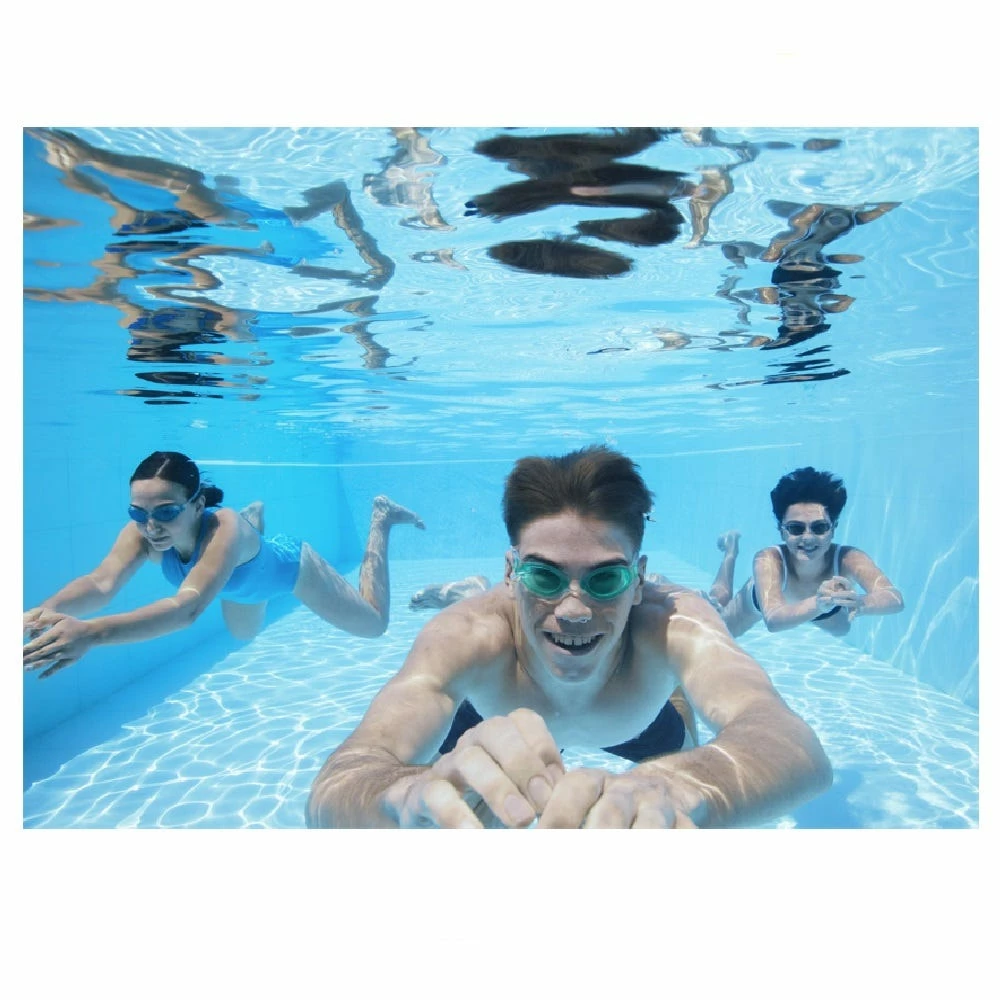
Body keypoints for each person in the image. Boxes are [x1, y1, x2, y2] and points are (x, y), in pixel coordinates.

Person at [307, 445, 832, 829]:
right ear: (512, 573)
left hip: (639, 722)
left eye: (605, 579)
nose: (575, 610)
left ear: (638, 578)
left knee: (675, 804)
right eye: (544, 577)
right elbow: (344, 777)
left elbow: (792, 745)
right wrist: (401, 796)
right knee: (449, 793)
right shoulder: (468, 634)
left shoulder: (671, 621)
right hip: (501, 724)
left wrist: (684, 785)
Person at [22, 451, 424, 679]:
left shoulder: (222, 526)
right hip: (238, 583)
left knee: (373, 625)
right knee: (243, 634)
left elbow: (187, 609)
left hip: (289, 570)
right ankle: (255, 528)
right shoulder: (141, 532)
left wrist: (91, 633)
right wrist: (44, 612)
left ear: (198, 504)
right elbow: (101, 582)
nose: (150, 525)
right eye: (137, 512)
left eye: (166, 512)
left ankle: (381, 518)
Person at [703, 467, 904, 639]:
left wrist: (860, 603)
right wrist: (819, 602)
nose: (808, 538)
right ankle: (730, 552)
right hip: (765, 602)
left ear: (833, 528)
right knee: (718, 627)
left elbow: (894, 598)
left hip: (822, 608)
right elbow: (774, 620)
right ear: (781, 531)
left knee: (842, 628)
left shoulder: (848, 558)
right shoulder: (769, 559)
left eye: (819, 527)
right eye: (796, 528)